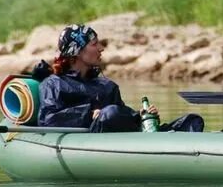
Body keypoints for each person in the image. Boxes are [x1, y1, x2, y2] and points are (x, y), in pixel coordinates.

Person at [38, 24, 204, 133]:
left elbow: (121, 117)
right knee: (110, 113)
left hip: (125, 137)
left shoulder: (106, 86)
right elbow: (47, 120)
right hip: (89, 143)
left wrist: (141, 115)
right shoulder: (53, 84)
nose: (101, 49)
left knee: (193, 121)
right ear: (77, 51)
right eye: (95, 44)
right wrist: (89, 114)